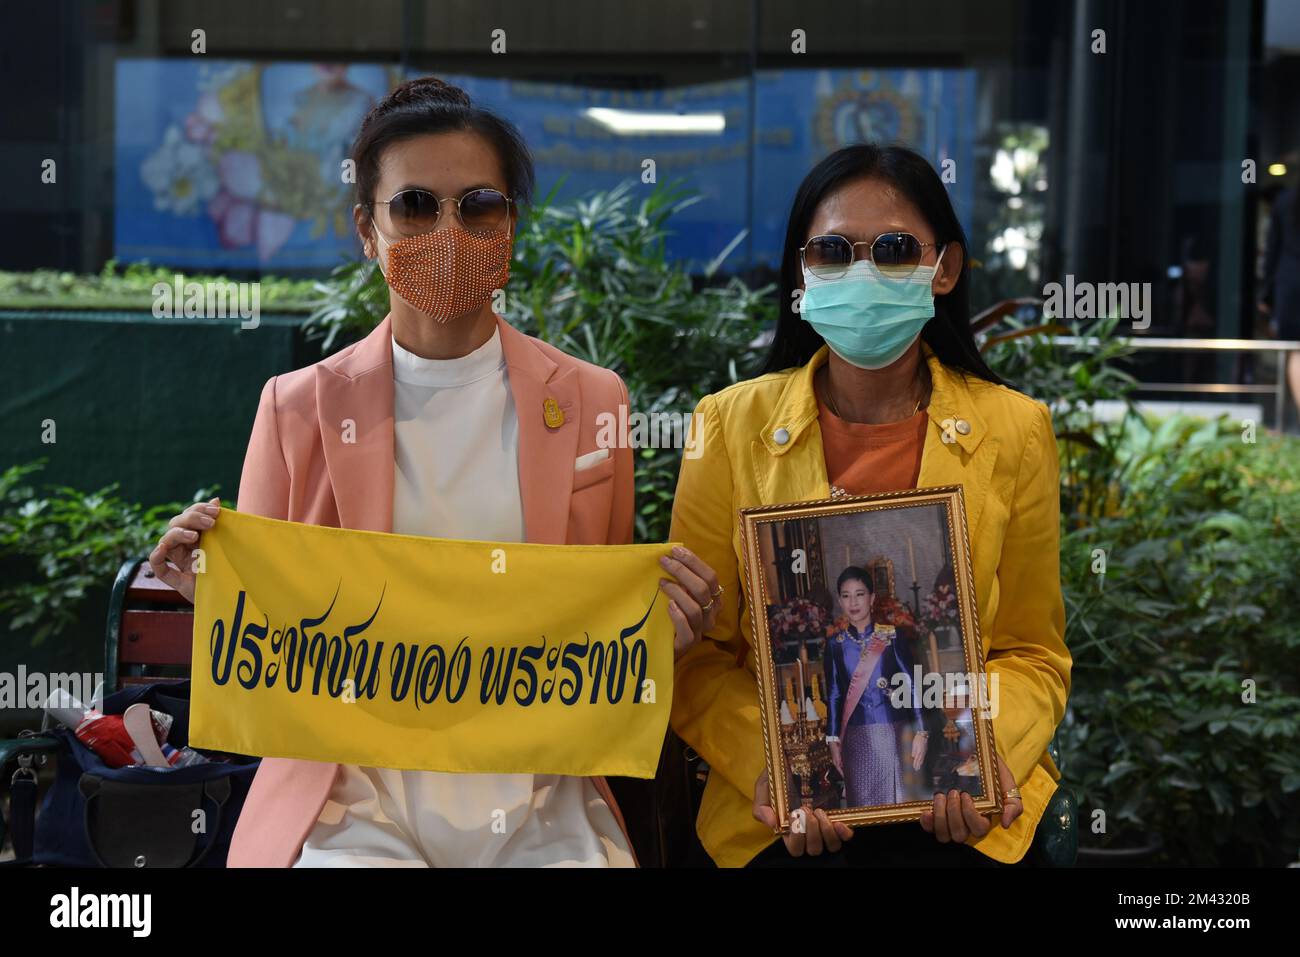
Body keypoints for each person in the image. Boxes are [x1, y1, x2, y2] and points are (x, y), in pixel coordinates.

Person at [148, 75, 721, 868]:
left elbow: (599, 619)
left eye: (477, 205)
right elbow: (268, 627)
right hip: (351, 799)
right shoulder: (294, 407)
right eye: (415, 205)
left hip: (542, 793)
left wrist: (666, 629)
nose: (447, 229)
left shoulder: (593, 401)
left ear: (509, 227)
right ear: (366, 229)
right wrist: (211, 592)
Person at [668, 143, 1071, 868]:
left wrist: (979, 754)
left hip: (961, 818)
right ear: (802, 270)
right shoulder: (726, 426)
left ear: (944, 267)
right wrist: (781, 768)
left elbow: (1031, 653)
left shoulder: (1016, 429)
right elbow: (699, 656)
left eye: (892, 250)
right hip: (778, 822)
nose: (861, 271)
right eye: (831, 250)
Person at [823, 566, 927, 808]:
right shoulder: (835, 645)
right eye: (846, 595)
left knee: (900, 806)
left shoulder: (892, 637)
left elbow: (911, 685)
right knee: (863, 809)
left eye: (859, 594)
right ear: (839, 600)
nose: (853, 602)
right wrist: (832, 740)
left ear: (871, 598)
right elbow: (835, 695)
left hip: (893, 733)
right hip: (855, 738)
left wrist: (921, 732)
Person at [1261, 185, 1300, 425]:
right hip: (1289, 286)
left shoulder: (1285, 201)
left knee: (1296, 352)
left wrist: (1266, 296)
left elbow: (1271, 252)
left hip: (1291, 286)